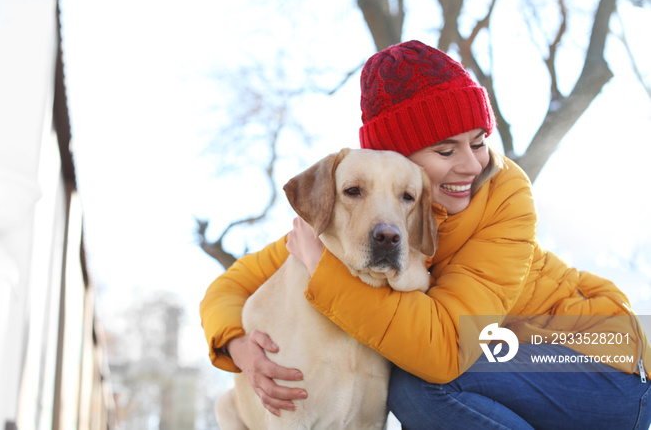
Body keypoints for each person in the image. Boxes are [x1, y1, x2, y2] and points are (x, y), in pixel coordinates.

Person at [200, 40, 651, 429]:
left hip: (603, 359)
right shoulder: (366, 211)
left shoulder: (503, 195)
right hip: (512, 367)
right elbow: (232, 285)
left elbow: (448, 350)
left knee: (418, 384)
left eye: (477, 141)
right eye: (445, 149)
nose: (472, 165)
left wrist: (324, 272)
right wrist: (239, 347)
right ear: (397, 156)